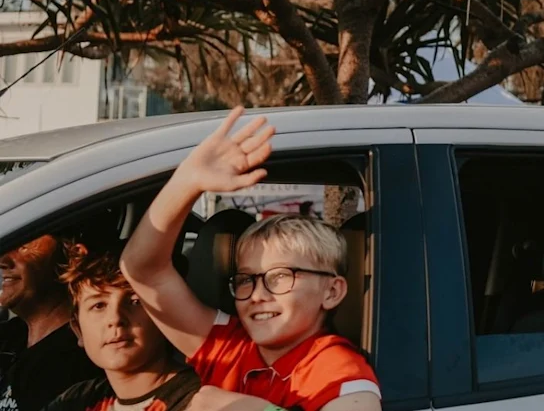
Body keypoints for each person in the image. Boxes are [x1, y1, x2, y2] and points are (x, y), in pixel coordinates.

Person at [120, 109, 380, 411]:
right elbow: (142, 270)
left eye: (280, 276)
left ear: (332, 291)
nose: (257, 295)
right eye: (246, 279)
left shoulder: (336, 368)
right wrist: (188, 182)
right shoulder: (231, 346)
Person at [41, 243, 199, 411]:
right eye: (99, 305)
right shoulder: (77, 400)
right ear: (78, 329)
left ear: (166, 317)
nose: (115, 319)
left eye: (135, 302)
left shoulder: (200, 400)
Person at [0, 236, 101, 411]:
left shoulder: (84, 358)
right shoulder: (13, 334)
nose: (3, 260)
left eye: (24, 246)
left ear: (70, 256)